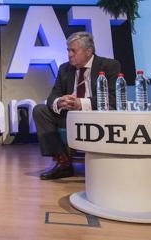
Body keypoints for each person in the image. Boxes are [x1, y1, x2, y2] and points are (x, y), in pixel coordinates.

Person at [33, 31, 121, 180]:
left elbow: (113, 99)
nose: (69, 54)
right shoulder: (64, 68)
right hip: (70, 116)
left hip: (97, 117)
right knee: (40, 110)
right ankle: (63, 163)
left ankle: (106, 166)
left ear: (88, 51)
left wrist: (81, 103)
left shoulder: (109, 66)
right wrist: (59, 102)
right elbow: (52, 96)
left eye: (73, 51)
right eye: (68, 50)